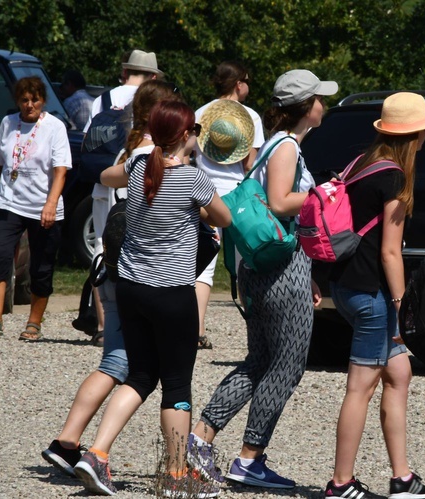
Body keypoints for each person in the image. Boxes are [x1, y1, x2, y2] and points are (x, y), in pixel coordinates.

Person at [185, 69, 336, 490]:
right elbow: (280, 202)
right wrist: (324, 194)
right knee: (287, 366)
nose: (325, 104)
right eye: (320, 99)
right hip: (280, 270)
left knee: (258, 362)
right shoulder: (287, 146)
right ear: (307, 108)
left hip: (265, 268)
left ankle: (201, 439)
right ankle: (250, 459)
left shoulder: (271, 143)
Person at [72, 100, 231, 497]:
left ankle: (97, 453)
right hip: (172, 293)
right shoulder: (194, 180)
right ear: (185, 136)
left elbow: (107, 177)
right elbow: (224, 219)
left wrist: (140, 155)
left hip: (130, 288)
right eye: (194, 129)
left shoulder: (139, 168)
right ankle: (175, 477)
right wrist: (203, 215)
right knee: (176, 385)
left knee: (140, 375)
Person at [41, 79, 180, 478]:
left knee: (115, 360)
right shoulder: (151, 157)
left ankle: (67, 443)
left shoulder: (123, 151)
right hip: (137, 271)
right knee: (137, 369)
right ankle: (89, 450)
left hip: (107, 264)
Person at [323, 92, 425, 499]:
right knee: (361, 387)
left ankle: (402, 478)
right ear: (416, 135)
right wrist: (402, 303)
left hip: (345, 284)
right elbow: (391, 251)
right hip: (371, 293)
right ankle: (340, 484)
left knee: (399, 374)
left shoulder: (362, 163)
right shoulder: (393, 177)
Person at [0, 76, 72, 341]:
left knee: (41, 267)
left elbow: (61, 171)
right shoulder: (8, 123)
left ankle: (34, 323)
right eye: (24, 100)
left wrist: (51, 204)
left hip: (42, 206)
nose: (29, 105)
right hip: (9, 201)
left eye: (35, 100)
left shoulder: (55, 127)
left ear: (43, 100)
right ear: (18, 101)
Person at [84, 49, 163, 344]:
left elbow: (92, 144)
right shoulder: (153, 98)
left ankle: (104, 325)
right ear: (153, 76)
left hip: (106, 182)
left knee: (103, 248)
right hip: (137, 182)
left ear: (125, 71)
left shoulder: (101, 100)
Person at [194, 61, 265, 350]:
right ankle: (257, 328)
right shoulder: (250, 117)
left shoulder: (199, 113)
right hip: (237, 197)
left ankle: (196, 330)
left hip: (204, 194)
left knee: (204, 265)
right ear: (238, 84)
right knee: (246, 263)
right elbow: (251, 164)